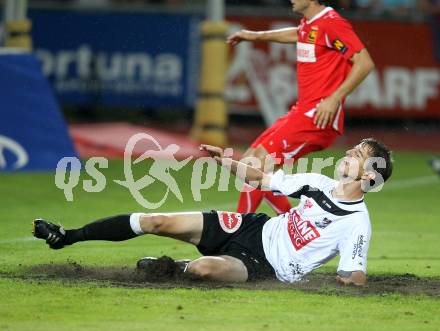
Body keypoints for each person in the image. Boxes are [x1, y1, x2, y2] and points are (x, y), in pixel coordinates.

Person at [33, 138, 392, 286]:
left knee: (203, 269)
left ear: (369, 175)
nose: (349, 154)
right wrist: (227, 161)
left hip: (266, 267)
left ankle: (167, 268)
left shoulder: (357, 223)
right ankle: (67, 236)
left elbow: (354, 273)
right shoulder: (316, 181)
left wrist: (340, 282)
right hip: (252, 229)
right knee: (156, 219)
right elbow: (262, 179)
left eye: (358, 155)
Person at [227, 0, 375, 214]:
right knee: (251, 162)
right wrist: (254, 36)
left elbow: (365, 63)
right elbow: (298, 33)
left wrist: (335, 98)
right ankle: (288, 223)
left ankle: (236, 234)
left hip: (318, 117)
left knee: (256, 167)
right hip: (302, 110)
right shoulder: (310, 23)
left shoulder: (332, 24)